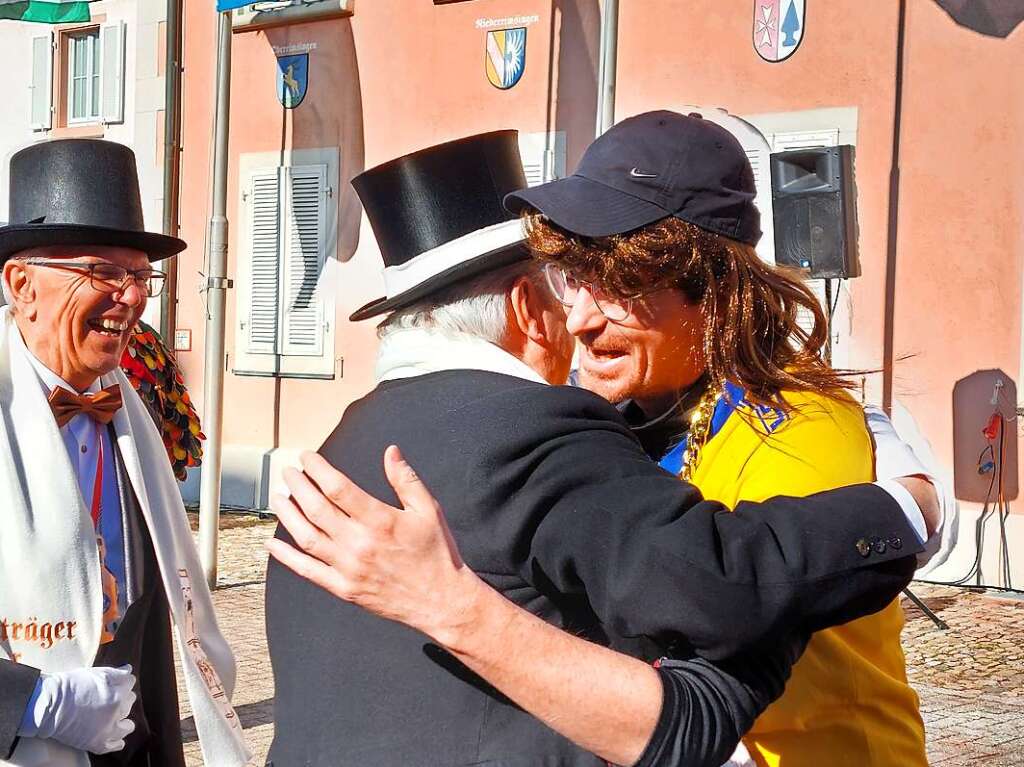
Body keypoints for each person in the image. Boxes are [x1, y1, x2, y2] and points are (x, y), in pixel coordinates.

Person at [264, 130, 939, 767]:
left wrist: (907, 501)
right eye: (572, 280)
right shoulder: (555, 428)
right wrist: (911, 506)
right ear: (529, 307)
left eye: (616, 280)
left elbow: (735, 596)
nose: (583, 317)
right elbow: (718, 607)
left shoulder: (345, 442)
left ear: (713, 290)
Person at [0, 139, 250, 767]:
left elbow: (155, 627)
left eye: (140, 276)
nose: (133, 297)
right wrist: (26, 703)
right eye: (103, 272)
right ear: (21, 283)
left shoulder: (127, 412)